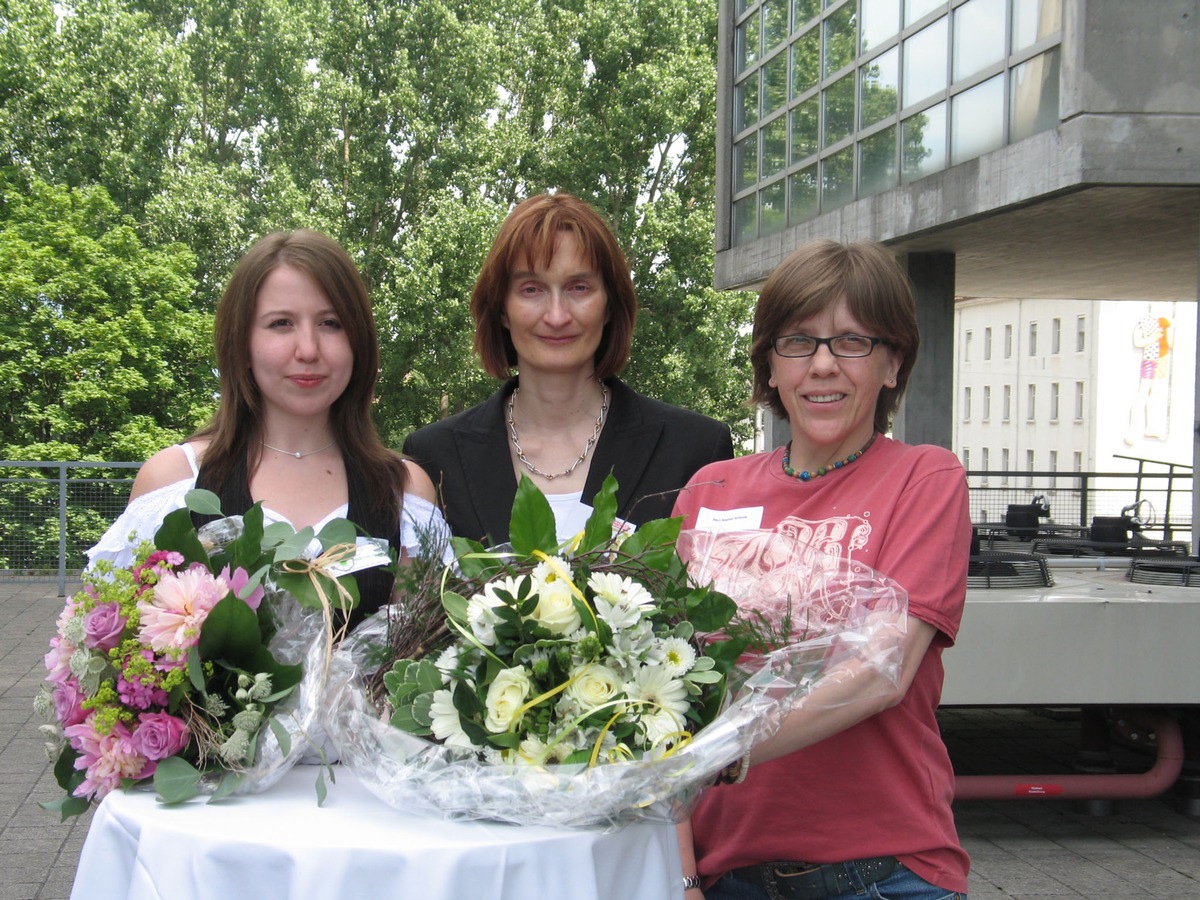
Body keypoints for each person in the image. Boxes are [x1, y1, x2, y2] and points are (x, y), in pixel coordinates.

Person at [672, 240, 971, 899]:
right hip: (727, 875)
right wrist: (681, 871)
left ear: (893, 363)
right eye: (799, 342)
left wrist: (720, 753)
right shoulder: (710, 491)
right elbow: (665, 691)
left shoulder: (925, 479)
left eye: (853, 342)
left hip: (881, 873)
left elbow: (882, 672)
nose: (824, 365)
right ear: (770, 368)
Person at [88, 230, 447, 627]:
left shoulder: (404, 491)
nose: (308, 349)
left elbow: (419, 657)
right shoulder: (175, 484)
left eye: (331, 323)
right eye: (281, 323)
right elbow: (131, 660)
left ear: (358, 341)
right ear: (241, 343)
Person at [402, 192, 734, 546]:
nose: (557, 315)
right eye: (531, 289)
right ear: (501, 309)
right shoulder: (433, 457)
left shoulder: (696, 451)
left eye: (579, 287)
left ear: (609, 305)